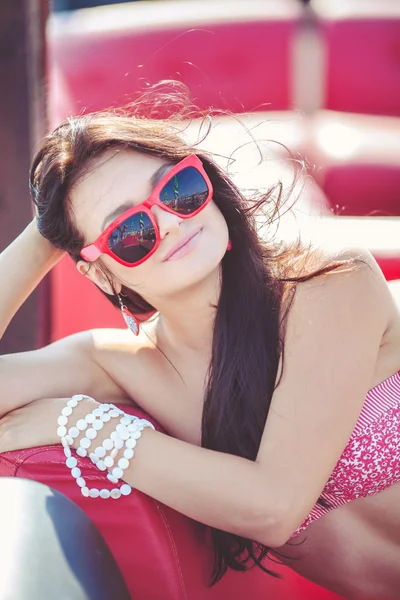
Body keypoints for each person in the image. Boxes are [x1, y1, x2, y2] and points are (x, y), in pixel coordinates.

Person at [0, 102, 399, 600]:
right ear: (100, 271)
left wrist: (87, 426)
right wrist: (45, 234)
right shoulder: (124, 363)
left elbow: (273, 506)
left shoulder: (328, 283)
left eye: (177, 190)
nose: (167, 222)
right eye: (128, 231)